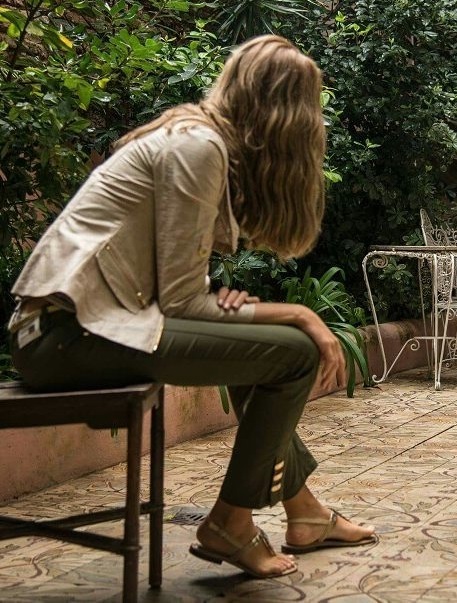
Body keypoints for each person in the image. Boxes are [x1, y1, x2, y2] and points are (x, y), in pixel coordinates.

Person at [8, 34, 376, 579]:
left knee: (266, 351)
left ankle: (305, 513)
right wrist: (301, 313)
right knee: (297, 351)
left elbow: (174, 292)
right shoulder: (197, 147)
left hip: (85, 328)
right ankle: (230, 522)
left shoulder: (197, 140)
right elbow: (183, 303)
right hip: (64, 335)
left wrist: (230, 309)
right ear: (286, 115)